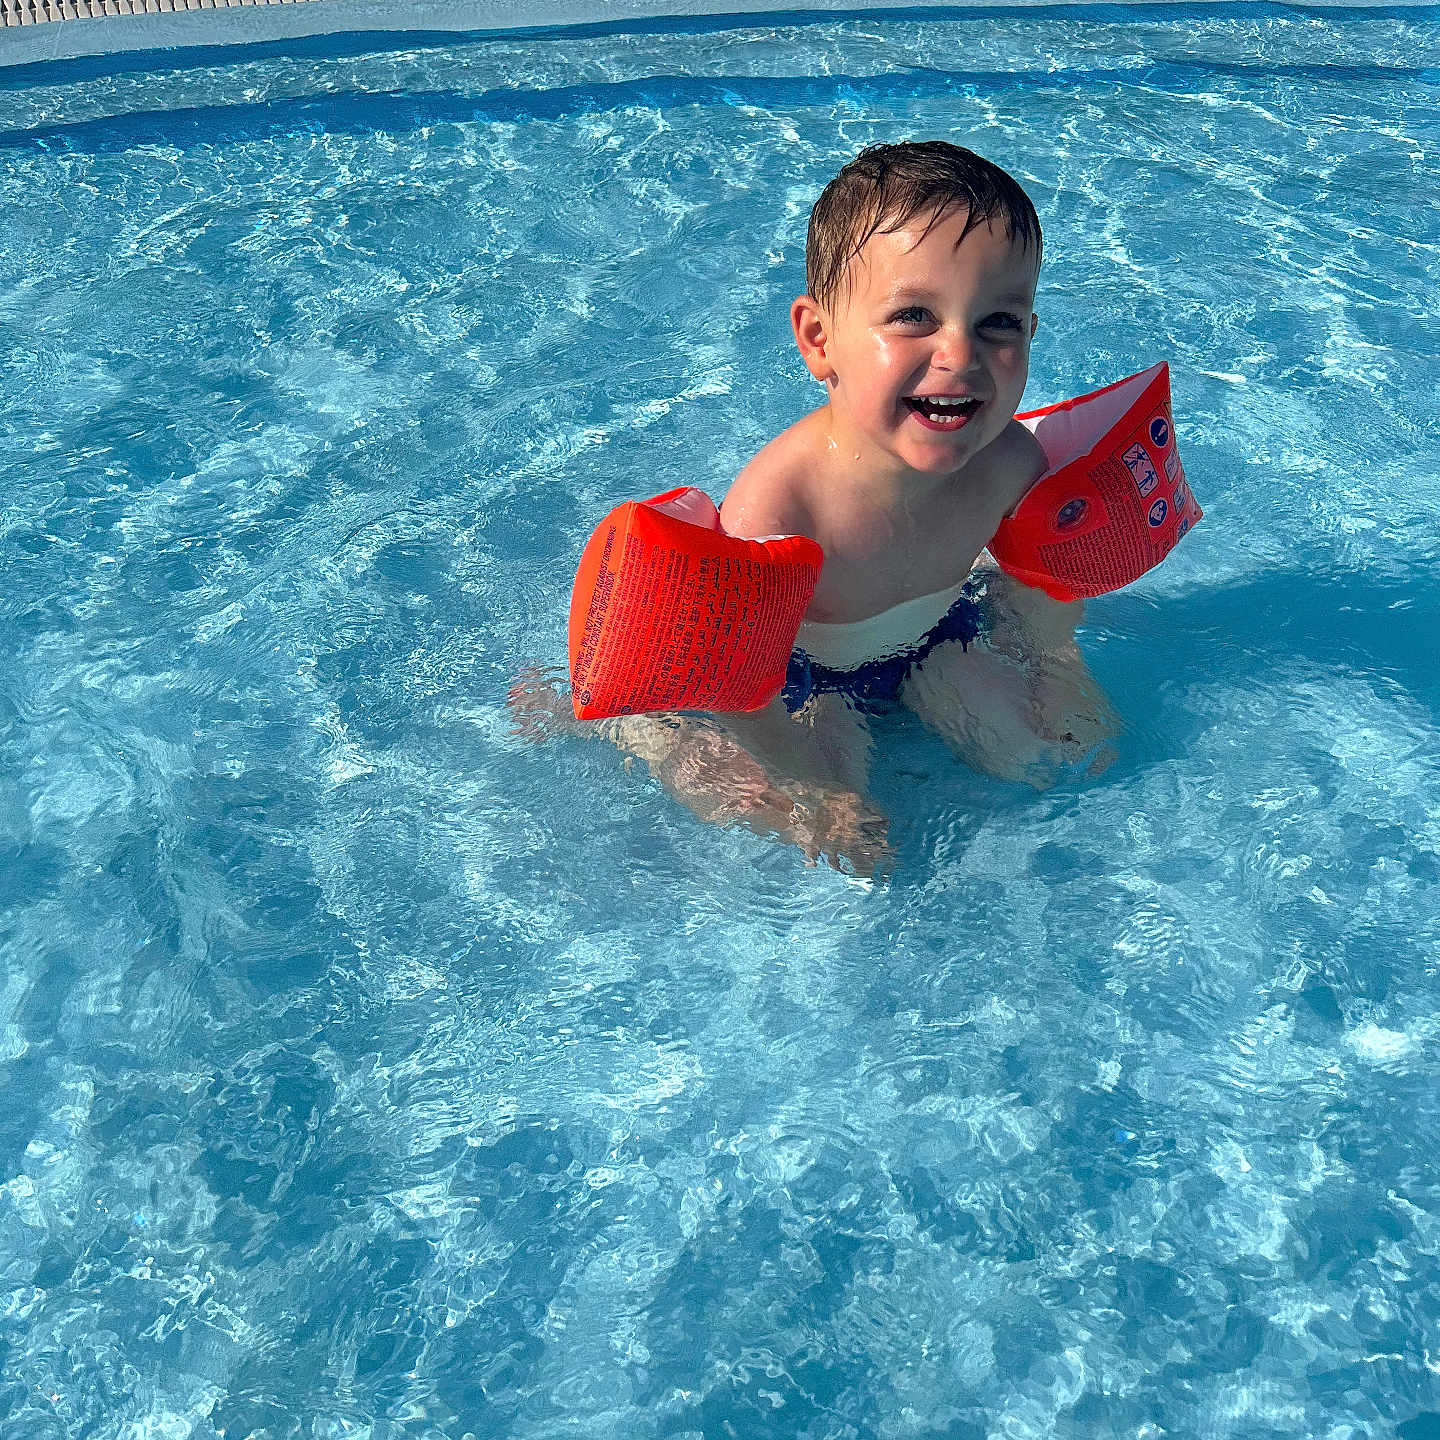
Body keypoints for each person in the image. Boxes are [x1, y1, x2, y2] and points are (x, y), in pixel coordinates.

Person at [513, 141, 1116, 874]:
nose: (960, 353)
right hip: (796, 680)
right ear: (819, 340)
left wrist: (1055, 666)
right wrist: (810, 787)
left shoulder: (1011, 463)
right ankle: (643, 730)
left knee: (1057, 758)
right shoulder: (781, 505)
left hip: (937, 638)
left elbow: (1034, 583)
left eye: (999, 323)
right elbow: (740, 687)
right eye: (915, 315)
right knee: (808, 828)